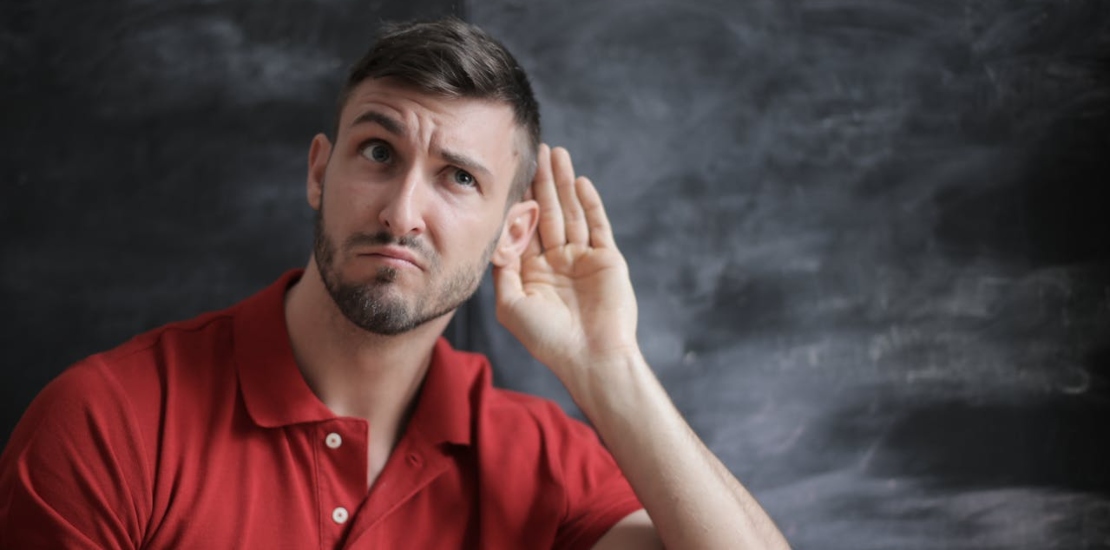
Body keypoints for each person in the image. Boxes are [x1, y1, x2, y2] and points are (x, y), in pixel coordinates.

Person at [0, 18, 790, 550]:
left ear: (512, 233)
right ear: (320, 171)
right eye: (379, 153)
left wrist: (608, 366)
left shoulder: (540, 463)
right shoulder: (108, 422)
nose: (402, 211)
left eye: (458, 177)